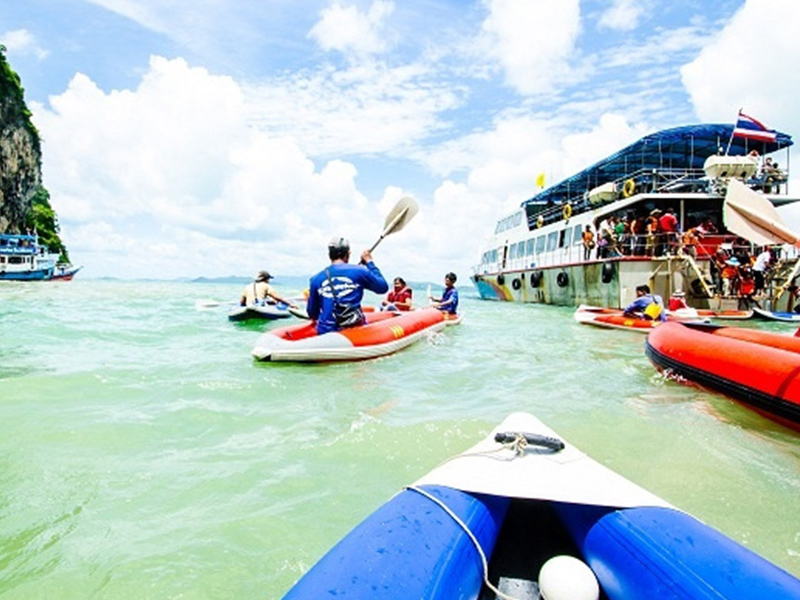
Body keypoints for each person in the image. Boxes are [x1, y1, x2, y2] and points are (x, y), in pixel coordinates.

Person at [306, 236, 389, 334]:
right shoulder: (360, 271)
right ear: (348, 254)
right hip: (354, 330)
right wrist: (369, 262)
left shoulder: (315, 279)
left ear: (330, 255)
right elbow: (383, 287)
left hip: (326, 332)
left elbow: (312, 313)